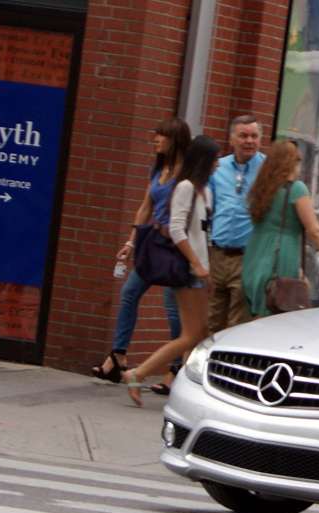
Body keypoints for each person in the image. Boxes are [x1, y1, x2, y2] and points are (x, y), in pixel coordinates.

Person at [92, 116, 190, 394]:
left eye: (160, 135)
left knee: (173, 308)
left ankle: (174, 370)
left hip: (174, 247)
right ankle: (118, 355)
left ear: (174, 139)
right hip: (152, 244)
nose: (155, 140)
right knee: (129, 293)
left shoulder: (188, 173)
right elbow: (145, 207)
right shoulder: (158, 167)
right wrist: (131, 242)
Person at [121, 135, 220, 407]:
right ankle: (138, 373)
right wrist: (197, 264)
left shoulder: (206, 190)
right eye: (214, 160)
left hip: (199, 270)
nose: (218, 165)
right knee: (191, 335)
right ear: (204, 160)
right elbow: (176, 229)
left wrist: (207, 267)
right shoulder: (185, 187)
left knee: (200, 333)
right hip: (186, 270)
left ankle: (185, 385)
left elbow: (203, 233)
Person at [240, 141, 319, 318]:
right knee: (275, 324)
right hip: (278, 263)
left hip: (254, 260)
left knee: (257, 321)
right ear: (292, 163)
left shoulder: (261, 189)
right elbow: (315, 230)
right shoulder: (295, 189)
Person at [206, 114, 266, 332]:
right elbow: (207, 211)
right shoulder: (217, 168)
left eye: (254, 136)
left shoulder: (268, 168)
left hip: (247, 258)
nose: (249, 141)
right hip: (217, 256)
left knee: (237, 326)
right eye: (243, 136)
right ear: (231, 139)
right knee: (211, 323)